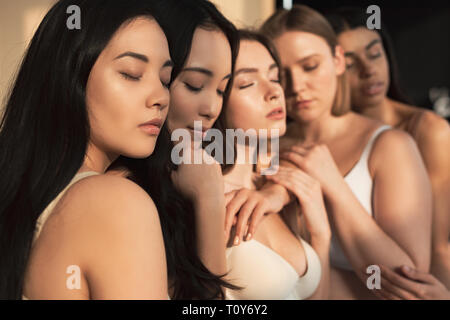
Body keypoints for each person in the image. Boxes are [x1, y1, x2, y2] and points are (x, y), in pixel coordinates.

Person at [0, 0, 176, 299]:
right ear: (69, 75)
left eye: (165, 79)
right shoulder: (116, 202)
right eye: (132, 74)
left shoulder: (25, 198)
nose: (160, 96)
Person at [260, 5, 432, 299]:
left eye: (310, 66)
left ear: (338, 60)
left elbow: (409, 283)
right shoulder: (263, 149)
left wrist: (334, 185)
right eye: (281, 75)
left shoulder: (389, 146)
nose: (297, 86)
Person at [107, 0, 241, 299]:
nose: (212, 108)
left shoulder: (182, 180)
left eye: (222, 89)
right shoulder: (119, 196)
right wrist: (209, 198)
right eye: (193, 85)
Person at [326, 7, 450, 292]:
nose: (369, 71)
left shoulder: (427, 130)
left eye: (374, 54)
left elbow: (438, 247)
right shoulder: (320, 137)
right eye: (352, 63)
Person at [221, 30, 331, 300]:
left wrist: (321, 234)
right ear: (214, 97)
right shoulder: (208, 196)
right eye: (247, 83)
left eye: (274, 77)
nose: (274, 92)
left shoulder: (277, 187)